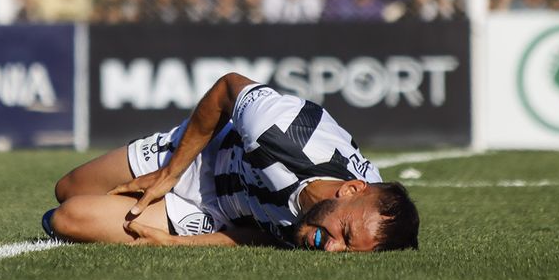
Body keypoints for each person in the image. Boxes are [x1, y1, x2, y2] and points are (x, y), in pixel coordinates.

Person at [43, 73, 419, 251]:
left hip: (216, 213)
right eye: (345, 235)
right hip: (197, 157)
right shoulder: (280, 133)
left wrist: (178, 243)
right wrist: (170, 172)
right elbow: (227, 87)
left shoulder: (350, 213)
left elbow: (266, 234)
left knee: (65, 218)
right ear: (351, 189)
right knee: (67, 189)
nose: (332, 249)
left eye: (349, 251)